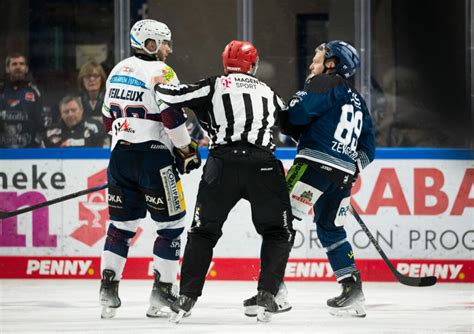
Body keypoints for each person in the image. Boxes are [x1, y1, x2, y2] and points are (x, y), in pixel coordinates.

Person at [153, 40, 295, 323]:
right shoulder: (269, 92)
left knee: (203, 232)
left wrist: (158, 83)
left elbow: (173, 95)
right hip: (263, 166)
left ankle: (186, 298)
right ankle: (267, 294)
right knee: (278, 232)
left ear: (225, 64)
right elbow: (293, 124)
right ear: (253, 65)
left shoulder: (216, 84)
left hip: (222, 165)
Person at [99, 19, 201, 319]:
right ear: (150, 44)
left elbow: (107, 121)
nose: (168, 49)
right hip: (153, 159)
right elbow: (170, 116)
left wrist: (129, 132)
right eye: (164, 42)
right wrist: (186, 148)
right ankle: (162, 293)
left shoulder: (118, 69)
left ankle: (107, 291)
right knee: (171, 228)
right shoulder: (162, 71)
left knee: (121, 227)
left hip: (119, 157)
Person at [279, 40, 376, 318]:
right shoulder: (358, 100)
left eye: (317, 59)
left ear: (332, 63)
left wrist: (284, 116)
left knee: (280, 219)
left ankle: (271, 287)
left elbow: (298, 114)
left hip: (313, 166)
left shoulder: (324, 83)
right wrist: (351, 167)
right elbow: (369, 147)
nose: (312, 65)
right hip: (343, 176)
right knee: (331, 230)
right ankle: (352, 290)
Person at [0, 52, 46, 148]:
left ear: (26, 69)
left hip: (28, 151)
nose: (18, 67)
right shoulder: (1, 90)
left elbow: (42, 122)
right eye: (14, 64)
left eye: (21, 64)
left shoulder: (35, 92)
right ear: (7, 69)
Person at [43, 95, 108, 148]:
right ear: (61, 114)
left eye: (73, 110)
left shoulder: (96, 128)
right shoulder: (51, 132)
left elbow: (104, 154)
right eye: (66, 112)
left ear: (81, 110)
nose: (70, 114)